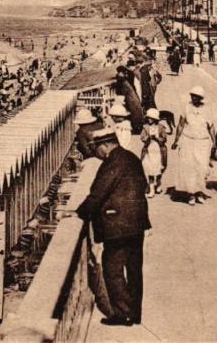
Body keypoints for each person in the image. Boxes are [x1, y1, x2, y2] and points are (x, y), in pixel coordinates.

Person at [76, 128, 151, 326]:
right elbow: (143, 186)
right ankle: (135, 313)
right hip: (137, 223)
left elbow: (98, 194)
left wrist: (79, 212)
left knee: (113, 269)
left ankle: (122, 313)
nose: (95, 152)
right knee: (134, 270)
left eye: (96, 148)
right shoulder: (131, 158)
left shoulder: (112, 162)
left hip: (117, 226)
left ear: (106, 145)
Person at [171, 86, 215, 205]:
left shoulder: (207, 109)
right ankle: (190, 194)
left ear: (201, 98)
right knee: (189, 167)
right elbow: (180, 125)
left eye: (196, 96)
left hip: (202, 142)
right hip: (188, 140)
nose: (193, 98)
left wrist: (214, 142)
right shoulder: (186, 107)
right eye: (192, 95)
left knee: (201, 167)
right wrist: (176, 140)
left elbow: (210, 127)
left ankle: (199, 192)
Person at [140, 108, 168, 198]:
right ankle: (151, 189)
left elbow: (164, 139)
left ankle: (158, 183)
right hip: (149, 151)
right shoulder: (145, 127)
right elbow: (142, 137)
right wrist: (148, 138)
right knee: (150, 170)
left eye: (151, 118)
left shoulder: (160, 127)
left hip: (158, 151)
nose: (149, 120)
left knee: (159, 169)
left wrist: (157, 138)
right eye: (148, 118)